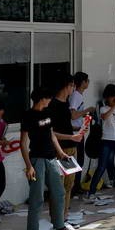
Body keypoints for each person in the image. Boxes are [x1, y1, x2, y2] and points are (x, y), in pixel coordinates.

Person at [20, 87, 77, 230]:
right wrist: (29, 165)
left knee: (59, 192)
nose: (50, 100)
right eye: (48, 98)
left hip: (51, 158)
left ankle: (59, 227)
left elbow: (52, 135)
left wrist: (61, 153)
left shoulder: (48, 113)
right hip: (36, 160)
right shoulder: (28, 116)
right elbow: (23, 143)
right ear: (41, 99)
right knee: (37, 196)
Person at [86, 84, 115, 200]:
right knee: (101, 166)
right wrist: (114, 107)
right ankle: (91, 192)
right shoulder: (104, 108)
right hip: (107, 141)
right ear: (107, 98)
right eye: (112, 96)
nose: (114, 99)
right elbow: (104, 117)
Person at [48, 76, 85, 218]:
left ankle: (65, 214)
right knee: (58, 185)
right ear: (67, 86)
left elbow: (65, 126)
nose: (73, 90)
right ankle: (57, 216)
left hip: (70, 147)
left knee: (69, 184)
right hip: (60, 149)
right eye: (72, 86)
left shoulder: (66, 103)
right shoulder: (53, 105)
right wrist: (71, 137)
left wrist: (78, 129)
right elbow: (51, 133)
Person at [68, 72, 95, 196]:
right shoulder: (76, 96)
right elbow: (73, 115)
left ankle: (76, 186)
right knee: (77, 161)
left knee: (80, 160)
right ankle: (73, 187)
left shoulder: (78, 96)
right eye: (87, 80)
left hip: (79, 131)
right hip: (74, 132)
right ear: (83, 82)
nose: (88, 82)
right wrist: (87, 110)